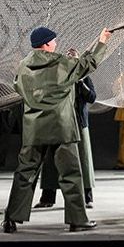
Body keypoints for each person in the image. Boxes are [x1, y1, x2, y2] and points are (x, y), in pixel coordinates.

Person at [2, 25, 110, 233]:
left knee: (24, 174)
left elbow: (18, 88)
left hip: (34, 129)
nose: (56, 43)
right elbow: (87, 64)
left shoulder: (23, 66)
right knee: (70, 175)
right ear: (46, 43)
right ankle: (77, 220)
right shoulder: (60, 62)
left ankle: (10, 219)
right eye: (53, 40)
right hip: (62, 128)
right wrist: (102, 40)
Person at [36, 72, 97, 209]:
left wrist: (82, 85)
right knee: (51, 159)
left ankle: (87, 197)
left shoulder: (83, 77)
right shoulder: (56, 75)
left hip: (79, 123)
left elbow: (92, 97)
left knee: (83, 160)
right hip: (58, 122)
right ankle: (47, 197)